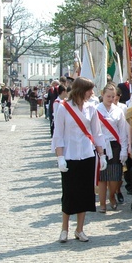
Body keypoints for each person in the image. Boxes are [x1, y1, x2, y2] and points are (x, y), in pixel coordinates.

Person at [51, 76, 105, 243]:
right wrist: (60, 157)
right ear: (81, 90)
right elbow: (58, 135)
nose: (92, 93)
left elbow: (97, 133)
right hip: (70, 156)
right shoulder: (64, 108)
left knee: (85, 194)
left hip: (87, 155)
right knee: (69, 193)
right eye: (89, 90)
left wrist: (102, 155)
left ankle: (80, 229)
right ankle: (64, 228)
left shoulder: (92, 108)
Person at [96, 84, 129, 213]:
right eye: (108, 96)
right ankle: (103, 203)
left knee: (115, 176)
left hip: (115, 145)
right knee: (102, 177)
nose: (110, 98)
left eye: (113, 96)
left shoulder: (118, 111)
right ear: (102, 95)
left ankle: (112, 196)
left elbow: (123, 131)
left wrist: (124, 149)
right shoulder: (96, 109)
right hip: (101, 145)